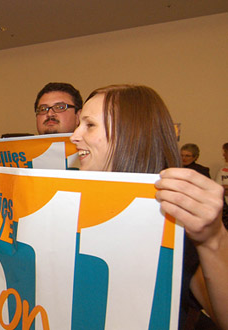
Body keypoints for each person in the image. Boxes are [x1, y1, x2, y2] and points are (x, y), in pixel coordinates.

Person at [70, 84, 228, 329]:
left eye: (89, 125)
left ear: (130, 134)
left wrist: (213, 239)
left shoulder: (177, 217)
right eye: (78, 124)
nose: (74, 136)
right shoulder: (69, 208)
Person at [215, 142, 228, 228]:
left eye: (225, 152)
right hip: (225, 208)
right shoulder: (223, 170)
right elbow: (217, 189)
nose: (223, 154)